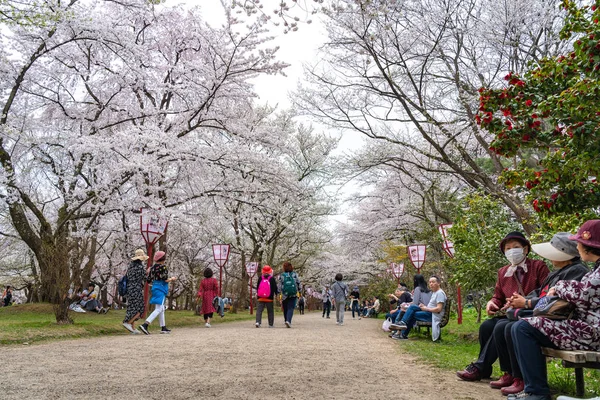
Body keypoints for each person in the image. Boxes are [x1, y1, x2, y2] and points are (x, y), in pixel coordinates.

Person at [508, 220, 600, 400]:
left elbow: (584, 294)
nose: (577, 245)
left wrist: (560, 287)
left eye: (579, 242)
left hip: (592, 334)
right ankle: (533, 389)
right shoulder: (594, 270)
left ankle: (537, 392)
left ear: (589, 247)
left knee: (523, 328)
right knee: (520, 327)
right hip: (584, 328)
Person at [492, 232, 589, 395]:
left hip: (567, 323)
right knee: (505, 326)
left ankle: (534, 388)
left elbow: (558, 301)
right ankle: (520, 379)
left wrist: (527, 303)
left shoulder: (575, 271)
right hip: (553, 318)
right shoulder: (559, 271)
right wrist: (521, 300)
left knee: (517, 327)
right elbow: (540, 292)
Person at [456, 232, 549, 381]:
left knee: (501, 325)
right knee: (486, 326)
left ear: (525, 249)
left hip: (529, 313)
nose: (512, 251)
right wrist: (492, 303)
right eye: (508, 248)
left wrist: (525, 301)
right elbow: (498, 296)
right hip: (510, 314)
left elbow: (546, 294)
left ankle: (499, 371)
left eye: (516, 247)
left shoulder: (538, 267)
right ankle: (487, 369)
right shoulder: (503, 272)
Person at [390, 276, 446, 340]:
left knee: (412, 312)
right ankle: (402, 327)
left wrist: (426, 308)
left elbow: (439, 309)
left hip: (434, 315)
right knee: (412, 308)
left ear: (438, 283)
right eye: (430, 282)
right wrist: (424, 306)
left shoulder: (440, 293)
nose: (431, 284)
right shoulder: (434, 292)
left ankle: (402, 332)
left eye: (433, 282)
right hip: (429, 312)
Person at [139, 251, 177, 334]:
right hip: (161, 288)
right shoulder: (163, 267)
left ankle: (163, 327)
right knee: (159, 309)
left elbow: (148, 280)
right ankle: (145, 324)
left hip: (155, 287)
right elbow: (165, 279)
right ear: (163, 258)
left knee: (161, 308)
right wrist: (172, 278)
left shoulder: (152, 268)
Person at [122, 249, 149, 334]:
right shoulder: (140, 267)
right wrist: (147, 272)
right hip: (136, 288)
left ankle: (132, 328)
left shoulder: (131, 266)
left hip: (129, 288)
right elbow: (146, 279)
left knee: (132, 307)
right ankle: (128, 323)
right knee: (140, 308)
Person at [278, 261, 301, 328]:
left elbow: (279, 285)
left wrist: (278, 293)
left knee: (285, 308)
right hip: (293, 293)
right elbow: (299, 283)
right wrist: (300, 291)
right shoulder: (294, 274)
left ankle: (286, 320)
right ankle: (288, 321)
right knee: (290, 308)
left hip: (284, 294)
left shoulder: (282, 275)